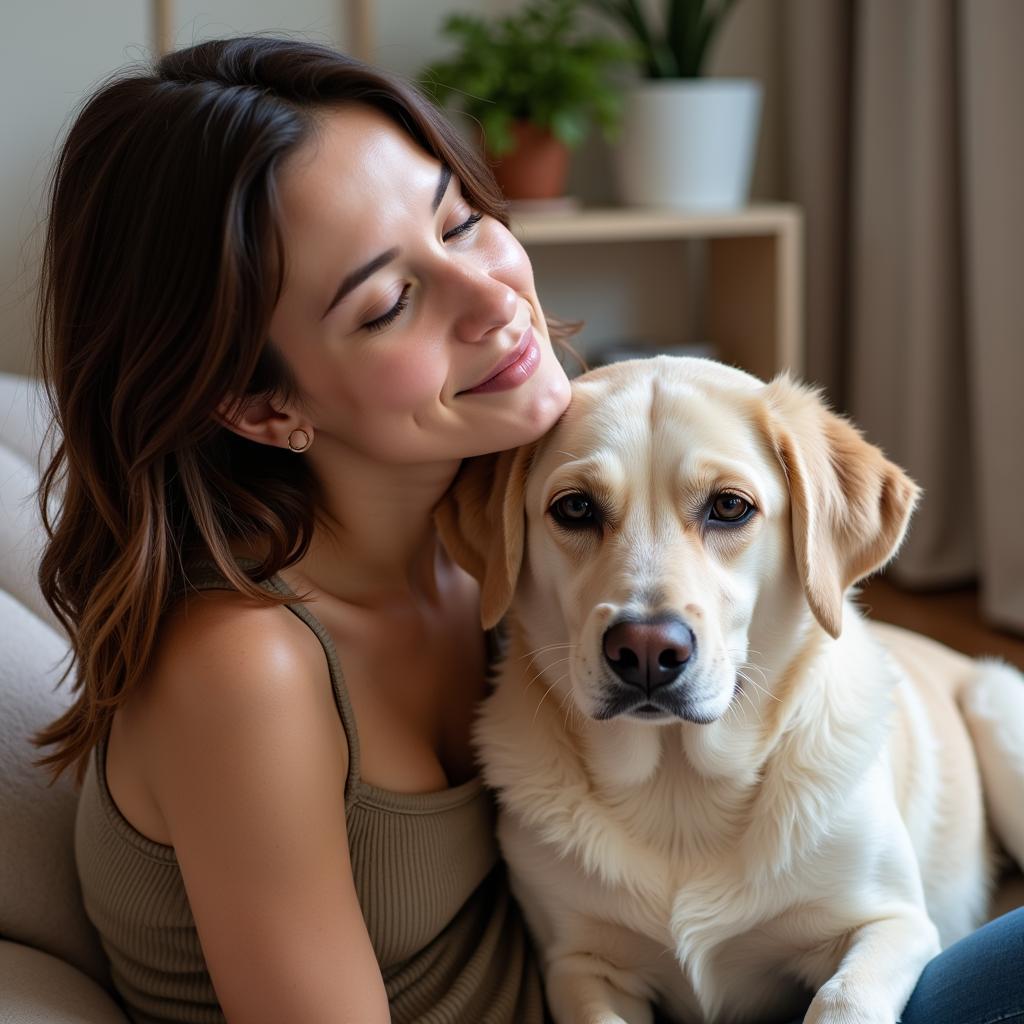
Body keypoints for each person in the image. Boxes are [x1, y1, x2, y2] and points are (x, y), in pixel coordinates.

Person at [31, 34, 1022, 1024]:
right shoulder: (247, 669)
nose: (494, 299)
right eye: (388, 302)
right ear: (259, 405)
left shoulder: (491, 568)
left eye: (459, 225)